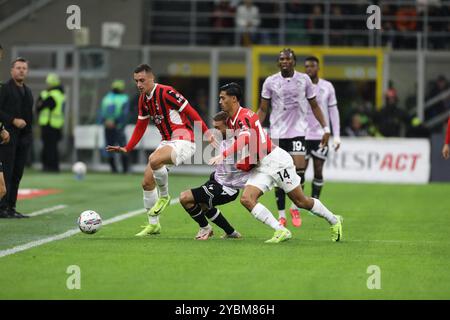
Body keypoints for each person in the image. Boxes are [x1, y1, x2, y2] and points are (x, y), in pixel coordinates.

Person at [210, 83, 343, 243]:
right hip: (261, 166)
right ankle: (281, 230)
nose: (220, 101)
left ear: (233, 99)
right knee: (247, 199)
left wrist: (224, 154)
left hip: (276, 161)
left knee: (301, 201)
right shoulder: (231, 120)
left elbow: (245, 137)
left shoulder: (243, 116)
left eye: (222, 98)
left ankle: (334, 220)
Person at [106, 64, 212, 236]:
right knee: (147, 182)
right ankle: (154, 225)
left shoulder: (166, 92)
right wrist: (128, 147)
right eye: (136, 81)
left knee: (154, 159)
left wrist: (207, 132)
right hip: (167, 142)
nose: (139, 84)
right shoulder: (143, 99)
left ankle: (164, 196)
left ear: (151, 79)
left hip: (184, 140)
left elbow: (190, 111)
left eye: (142, 80)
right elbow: (140, 126)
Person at [257, 48, 330, 228]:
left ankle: (294, 207)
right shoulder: (270, 82)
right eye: (281, 59)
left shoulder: (304, 80)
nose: (285, 61)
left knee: (300, 170)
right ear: (278, 62)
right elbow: (263, 109)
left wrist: (326, 128)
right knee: (277, 172)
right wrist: (254, 129)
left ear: (294, 62)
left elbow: (315, 106)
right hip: (276, 133)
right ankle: (281, 215)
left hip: (298, 131)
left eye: (288, 59)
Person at [179, 111, 246, 240]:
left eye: (217, 128)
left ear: (228, 126)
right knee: (203, 206)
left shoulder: (238, 142)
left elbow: (246, 164)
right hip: (217, 181)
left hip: (227, 188)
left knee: (185, 197)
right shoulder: (224, 140)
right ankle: (232, 233)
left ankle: (205, 228)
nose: (215, 131)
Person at [0, 57, 33, 218]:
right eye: (18, 67)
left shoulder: (28, 91)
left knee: (17, 173)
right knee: (6, 172)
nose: (21, 70)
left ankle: (11, 207)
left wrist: (28, 136)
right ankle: (2, 207)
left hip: (23, 139)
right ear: (12, 70)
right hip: (7, 137)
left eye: (24, 68)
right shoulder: (5, 88)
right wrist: (13, 120)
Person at [304, 56, 341, 200]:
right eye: (306, 66)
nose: (309, 69)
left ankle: (315, 202)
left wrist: (336, 135)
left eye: (312, 66)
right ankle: (298, 203)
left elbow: (333, 111)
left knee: (318, 170)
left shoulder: (327, 87)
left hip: (321, 135)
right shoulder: (300, 86)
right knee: (300, 170)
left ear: (318, 68)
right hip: (302, 134)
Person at [35, 73, 65, 172]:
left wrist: (41, 103)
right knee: (52, 147)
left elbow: (39, 106)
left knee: (49, 147)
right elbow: (39, 106)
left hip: (49, 124)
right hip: (56, 125)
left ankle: (48, 167)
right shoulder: (60, 95)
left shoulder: (50, 95)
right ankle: (53, 167)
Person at [99, 79, 130, 173]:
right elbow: (125, 114)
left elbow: (101, 112)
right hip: (118, 126)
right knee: (123, 147)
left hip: (107, 126)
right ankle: (125, 170)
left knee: (110, 147)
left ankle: (113, 170)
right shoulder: (124, 98)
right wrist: (116, 122)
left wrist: (105, 122)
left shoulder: (106, 98)